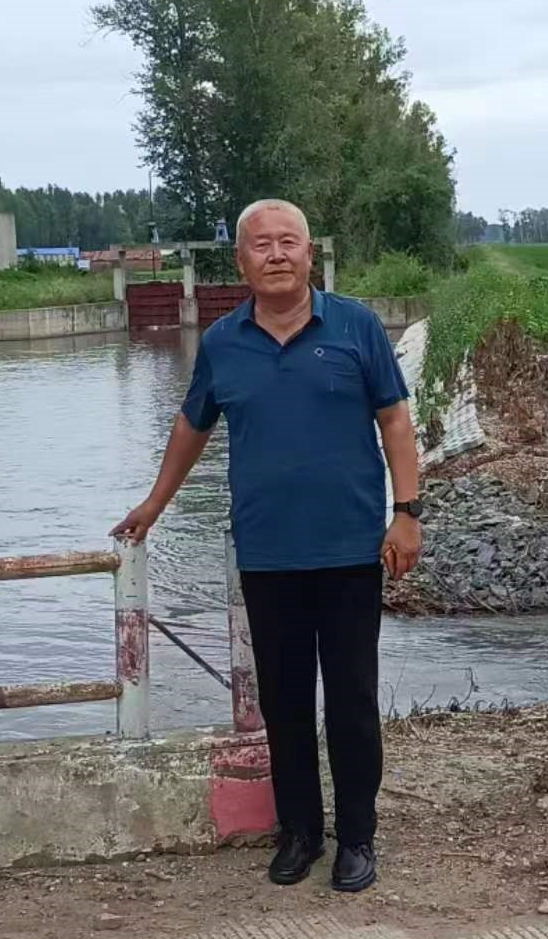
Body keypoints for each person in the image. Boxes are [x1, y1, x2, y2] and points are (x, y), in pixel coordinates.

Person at [113, 199, 421, 894]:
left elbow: (395, 421)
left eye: (289, 242)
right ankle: (300, 832)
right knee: (283, 703)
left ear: (310, 254)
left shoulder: (356, 327)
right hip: (267, 552)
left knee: (351, 701)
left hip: (349, 550)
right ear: (241, 261)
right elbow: (191, 425)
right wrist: (155, 503)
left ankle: (357, 837)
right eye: (262, 245)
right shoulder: (223, 342)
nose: (277, 254)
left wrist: (406, 514)